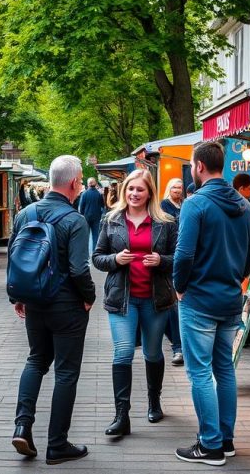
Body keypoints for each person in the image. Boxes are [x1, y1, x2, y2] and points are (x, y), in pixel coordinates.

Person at [172, 141, 250, 465]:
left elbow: (183, 255)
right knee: (224, 369)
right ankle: (225, 441)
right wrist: (232, 276)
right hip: (229, 300)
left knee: (199, 373)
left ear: (198, 166)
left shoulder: (195, 205)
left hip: (197, 300)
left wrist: (179, 287)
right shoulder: (243, 205)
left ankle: (209, 445)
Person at [11, 155, 95, 465]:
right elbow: (78, 268)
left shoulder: (26, 213)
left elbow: (16, 259)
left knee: (35, 361)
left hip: (33, 302)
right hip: (67, 307)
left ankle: (23, 425)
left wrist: (17, 297)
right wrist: (89, 297)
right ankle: (57, 444)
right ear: (75, 183)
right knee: (66, 373)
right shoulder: (75, 220)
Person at [92, 169, 177, 437]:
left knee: (153, 353)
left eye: (140, 190)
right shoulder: (111, 220)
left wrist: (161, 261)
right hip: (122, 300)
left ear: (149, 192)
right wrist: (115, 260)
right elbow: (97, 257)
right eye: (130, 189)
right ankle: (121, 415)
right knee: (123, 352)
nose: (134, 194)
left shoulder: (166, 222)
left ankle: (154, 402)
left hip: (155, 300)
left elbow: (180, 259)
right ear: (124, 191)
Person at [159, 177, 185, 366]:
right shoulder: (164, 205)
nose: (177, 190)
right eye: (174, 187)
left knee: (175, 304)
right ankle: (178, 346)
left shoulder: (185, 204)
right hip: (169, 256)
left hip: (183, 255)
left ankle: (180, 345)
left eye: (179, 187)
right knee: (170, 305)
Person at [77, 177, 105, 250]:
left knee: (86, 236)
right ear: (95, 184)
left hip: (86, 217)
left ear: (88, 184)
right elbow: (102, 205)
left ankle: (85, 254)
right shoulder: (99, 194)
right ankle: (94, 253)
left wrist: (82, 215)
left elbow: (81, 207)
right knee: (96, 236)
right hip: (96, 217)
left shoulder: (84, 194)